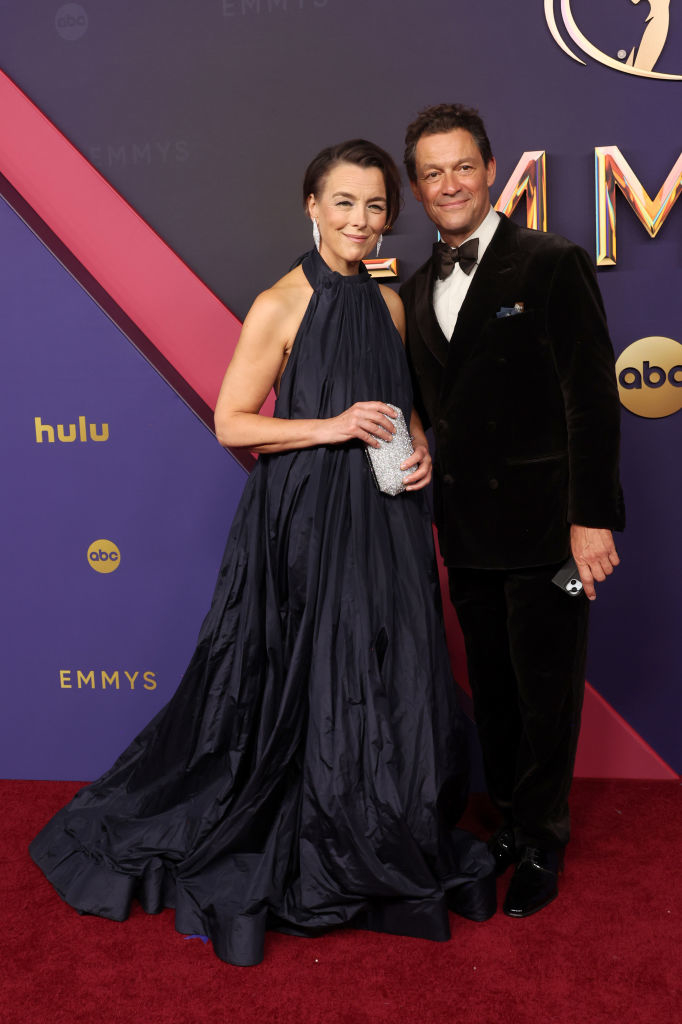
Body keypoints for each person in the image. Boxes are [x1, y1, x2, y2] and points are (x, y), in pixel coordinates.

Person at [30, 138, 496, 966]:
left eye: (376, 206)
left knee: (393, 668)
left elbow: (397, 404)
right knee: (309, 673)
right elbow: (232, 421)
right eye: (344, 203)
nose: (361, 220)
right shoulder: (279, 303)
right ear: (311, 207)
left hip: (385, 515)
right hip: (308, 516)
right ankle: (305, 825)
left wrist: (418, 446)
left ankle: (376, 821)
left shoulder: (386, 303)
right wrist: (333, 427)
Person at [399, 105, 625, 918]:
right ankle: (503, 822)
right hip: (465, 532)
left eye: (463, 166)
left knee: (547, 692)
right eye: (432, 173)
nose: (450, 184)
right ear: (418, 189)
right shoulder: (419, 286)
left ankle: (541, 842)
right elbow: (428, 405)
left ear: (491, 170)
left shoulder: (550, 261)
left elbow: (592, 400)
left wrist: (591, 518)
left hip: (550, 535)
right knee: (490, 690)